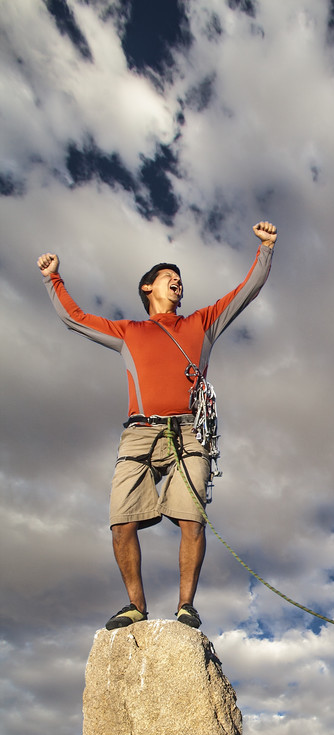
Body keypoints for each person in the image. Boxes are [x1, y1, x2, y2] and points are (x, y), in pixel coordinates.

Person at [37, 222, 277, 631]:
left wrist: (266, 249)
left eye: (180, 280)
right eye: (169, 278)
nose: (178, 283)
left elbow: (246, 291)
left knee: (191, 520)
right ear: (148, 288)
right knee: (121, 520)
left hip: (188, 432)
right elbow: (74, 319)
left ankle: (186, 606)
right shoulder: (128, 332)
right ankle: (136, 606)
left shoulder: (202, 323)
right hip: (139, 432)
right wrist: (52, 278)